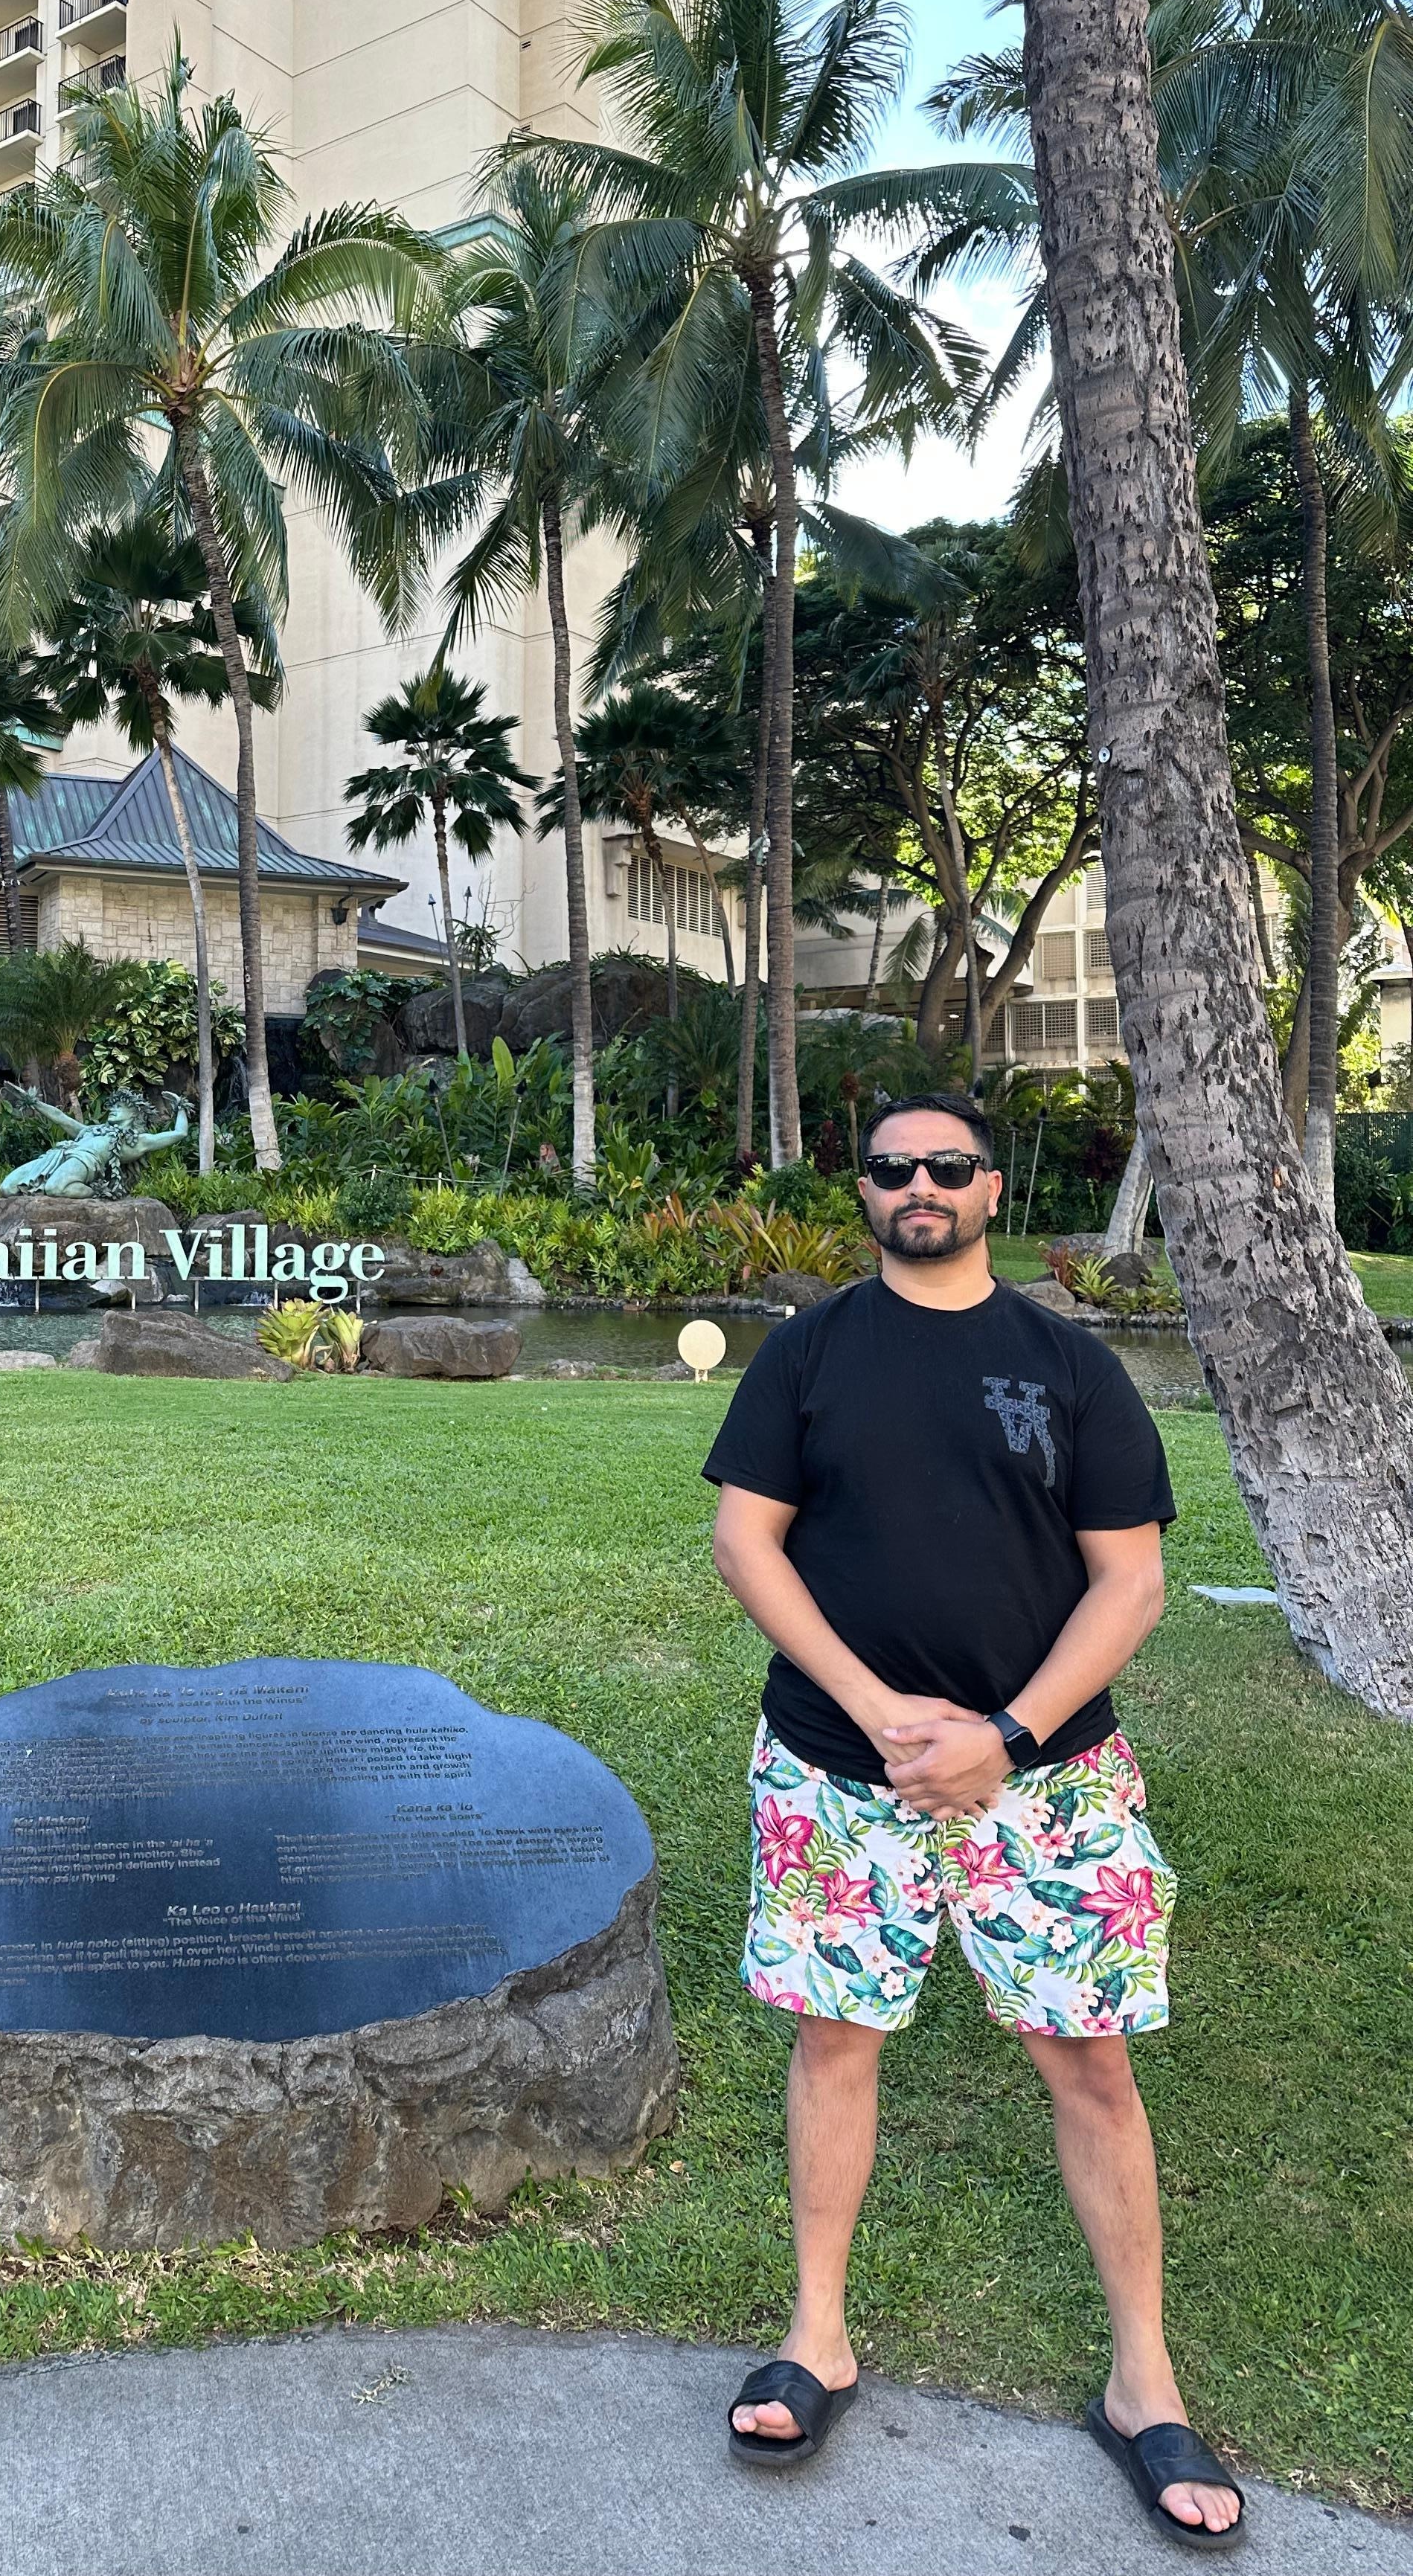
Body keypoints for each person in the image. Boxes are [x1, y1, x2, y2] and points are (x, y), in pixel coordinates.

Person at [703, 1091, 1244, 2551]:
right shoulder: (810, 1352)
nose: (919, 1186)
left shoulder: (1068, 1364)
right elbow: (746, 1540)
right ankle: (817, 2338)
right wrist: (883, 1713)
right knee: (837, 2038)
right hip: (838, 1770)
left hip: (1048, 1782)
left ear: (993, 1188)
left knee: (1091, 2063)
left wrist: (1001, 1738)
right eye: (893, 1169)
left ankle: (1143, 2381)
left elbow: (1129, 1580)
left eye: (948, 1166)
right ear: (866, 1192)